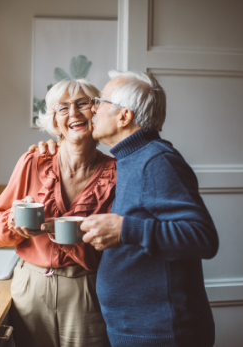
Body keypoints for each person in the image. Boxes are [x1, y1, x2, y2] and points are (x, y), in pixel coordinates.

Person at [35, 71, 219, 346]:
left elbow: (203, 238)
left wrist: (124, 229)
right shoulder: (131, 159)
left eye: (100, 102)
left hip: (161, 333)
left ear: (124, 116)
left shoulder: (156, 161)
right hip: (139, 328)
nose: (93, 109)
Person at [0, 78, 116, 347]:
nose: (73, 113)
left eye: (82, 104)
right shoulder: (32, 161)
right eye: (63, 108)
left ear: (96, 111)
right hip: (31, 287)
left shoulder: (116, 173)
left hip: (87, 287)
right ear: (55, 121)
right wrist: (15, 223)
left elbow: (119, 244)